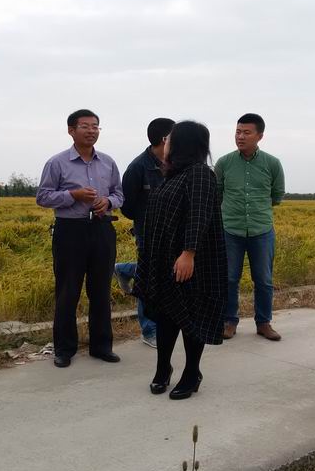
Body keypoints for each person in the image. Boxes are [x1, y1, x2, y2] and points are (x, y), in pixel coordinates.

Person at [134, 121, 227, 400]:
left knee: (191, 315)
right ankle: (163, 367)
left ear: (183, 144)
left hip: (189, 260)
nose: (166, 143)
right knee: (166, 314)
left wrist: (188, 253)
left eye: (170, 139)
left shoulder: (200, 173)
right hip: (165, 260)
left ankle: (192, 373)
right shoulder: (173, 175)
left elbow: (199, 214)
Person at [36, 109, 124, 368]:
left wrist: (108, 202)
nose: (91, 131)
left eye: (95, 126)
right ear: (71, 130)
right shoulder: (57, 163)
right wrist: (73, 196)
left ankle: (102, 346)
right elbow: (43, 197)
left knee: (101, 290)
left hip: (102, 229)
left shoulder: (108, 162)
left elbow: (119, 194)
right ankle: (64, 349)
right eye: (85, 126)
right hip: (70, 231)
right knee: (67, 291)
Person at [214, 113, 285, 341]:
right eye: (238, 132)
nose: (240, 137)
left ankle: (263, 323)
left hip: (261, 230)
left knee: (263, 280)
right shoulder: (224, 163)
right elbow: (217, 194)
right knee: (229, 278)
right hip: (230, 229)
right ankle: (229, 321)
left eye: (246, 132)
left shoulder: (272, 163)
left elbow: (277, 195)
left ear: (259, 136)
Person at [114, 117, 175, 349]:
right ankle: (149, 329)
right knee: (149, 279)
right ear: (164, 139)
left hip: (173, 231)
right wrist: (145, 220)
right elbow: (127, 206)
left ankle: (126, 269)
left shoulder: (176, 163)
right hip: (148, 232)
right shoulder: (138, 167)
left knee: (165, 272)